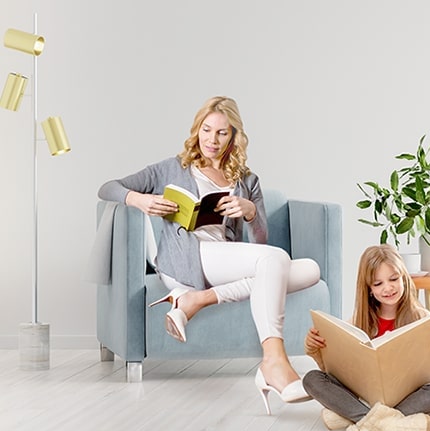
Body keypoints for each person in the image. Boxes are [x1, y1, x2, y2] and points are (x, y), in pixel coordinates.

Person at [98, 96, 318, 411]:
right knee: (276, 261)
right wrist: (138, 200)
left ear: (234, 137)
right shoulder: (173, 168)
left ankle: (197, 299)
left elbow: (261, 241)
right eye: (206, 130)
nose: (211, 140)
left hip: (224, 257)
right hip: (186, 258)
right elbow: (108, 187)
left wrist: (250, 211)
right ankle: (273, 361)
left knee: (309, 269)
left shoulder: (247, 180)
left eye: (222, 133)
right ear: (197, 129)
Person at [303, 244, 430, 431]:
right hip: (361, 394)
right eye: (378, 283)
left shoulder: (422, 318)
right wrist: (315, 348)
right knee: (312, 379)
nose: (388, 288)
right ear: (369, 289)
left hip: (403, 397)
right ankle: (389, 426)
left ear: (404, 279)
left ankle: (354, 418)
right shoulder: (357, 321)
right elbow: (332, 370)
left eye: (393, 279)